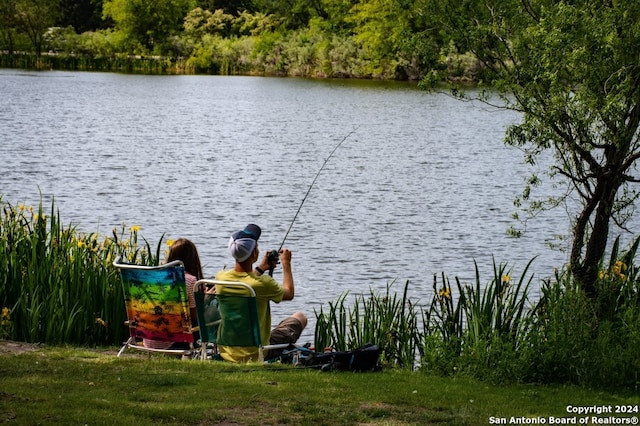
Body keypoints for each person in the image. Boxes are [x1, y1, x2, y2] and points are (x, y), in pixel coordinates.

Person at [215, 223, 307, 363]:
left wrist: (262, 267)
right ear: (254, 253)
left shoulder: (221, 278)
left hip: (227, 351)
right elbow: (289, 293)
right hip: (257, 351)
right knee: (300, 317)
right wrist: (286, 263)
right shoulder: (263, 283)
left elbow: (247, 280)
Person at [143, 238, 204, 350]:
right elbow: (195, 315)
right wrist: (205, 300)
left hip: (150, 339)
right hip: (173, 341)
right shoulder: (189, 280)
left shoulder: (156, 278)